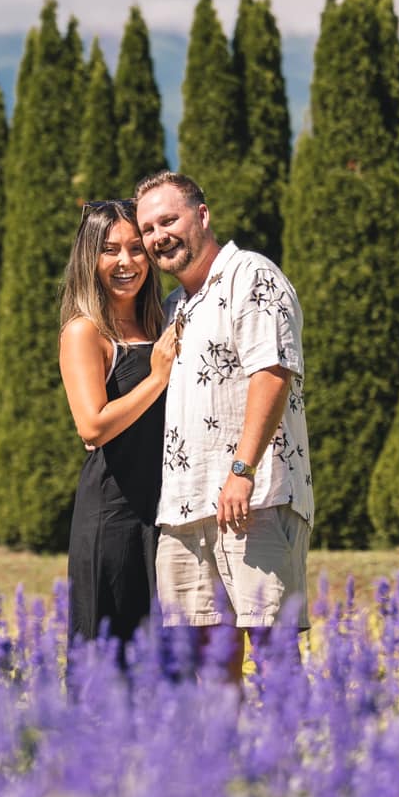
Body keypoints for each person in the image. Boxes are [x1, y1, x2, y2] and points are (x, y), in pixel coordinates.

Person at [133, 170, 312, 681]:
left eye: (169, 219)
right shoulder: (174, 307)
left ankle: (292, 757)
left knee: (273, 648)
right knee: (208, 660)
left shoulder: (250, 275)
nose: (158, 236)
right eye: (148, 228)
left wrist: (242, 469)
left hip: (253, 498)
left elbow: (273, 373)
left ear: (202, 215)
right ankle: (226, 759)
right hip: (185, 506)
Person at [57, 197, 179, 650]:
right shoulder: (84, 331)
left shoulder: (161, 320)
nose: (126, 262)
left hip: (165, 517)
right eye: (111, 250)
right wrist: (159, 375)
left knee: (165, 666)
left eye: (136, 248)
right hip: (112, 517)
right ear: (90, 257)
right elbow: (92, 426)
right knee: (107, 663)